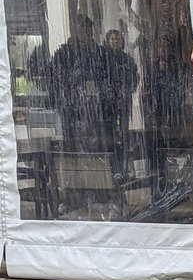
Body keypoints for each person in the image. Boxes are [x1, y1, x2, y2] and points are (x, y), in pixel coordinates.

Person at [48, 14, 108, 153]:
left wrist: (98, 88)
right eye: (81, 29)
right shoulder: (63, 53)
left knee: (96, 144)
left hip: (95, 106)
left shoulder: (100, 52)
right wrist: (75, 82)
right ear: (74, 30)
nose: (84, 33)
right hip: (71, 106)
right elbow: (56, 78)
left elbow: (106, 76)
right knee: (72, 143)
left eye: (88, 29)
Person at [101, 29, 139, 175]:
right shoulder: (103, 59)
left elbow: (134, 79)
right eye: (112, 39)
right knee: (110, 135)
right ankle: (113, 168)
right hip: (108, 104)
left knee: (123, 134)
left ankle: (124, 166)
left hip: (123, 103)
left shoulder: (127, 60)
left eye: (117, 39)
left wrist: (127, 90)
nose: (115, 42)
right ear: (108, 41)